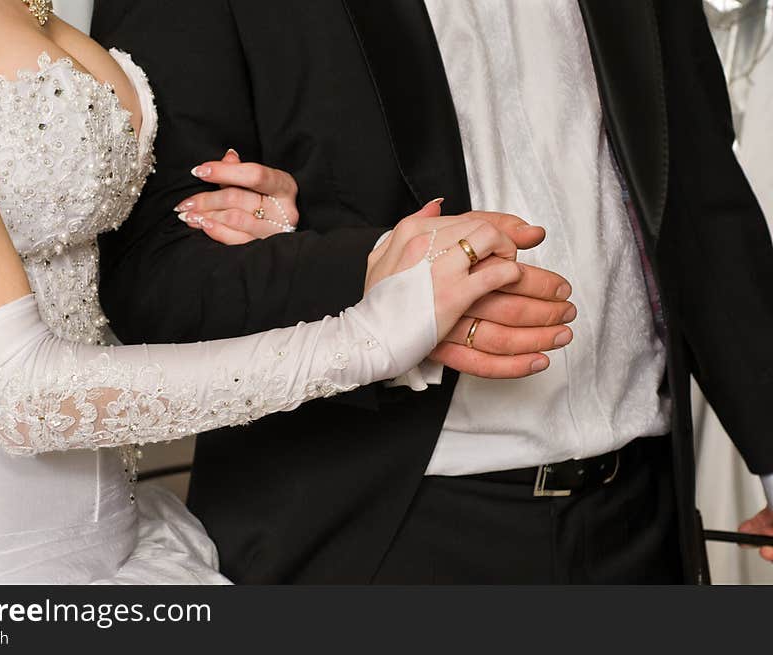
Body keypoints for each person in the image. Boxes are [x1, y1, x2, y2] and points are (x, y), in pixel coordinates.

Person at [92, 0, 773, 584]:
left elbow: (699, 192)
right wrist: (380, 278)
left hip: (644, 521)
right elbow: (152, 270)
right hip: (378, 534)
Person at [0, 0, 561, 584]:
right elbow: (17, 395)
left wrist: (255, 227)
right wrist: (364, 339)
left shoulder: (29, 4)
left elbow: (105, 263)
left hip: (119, 545)